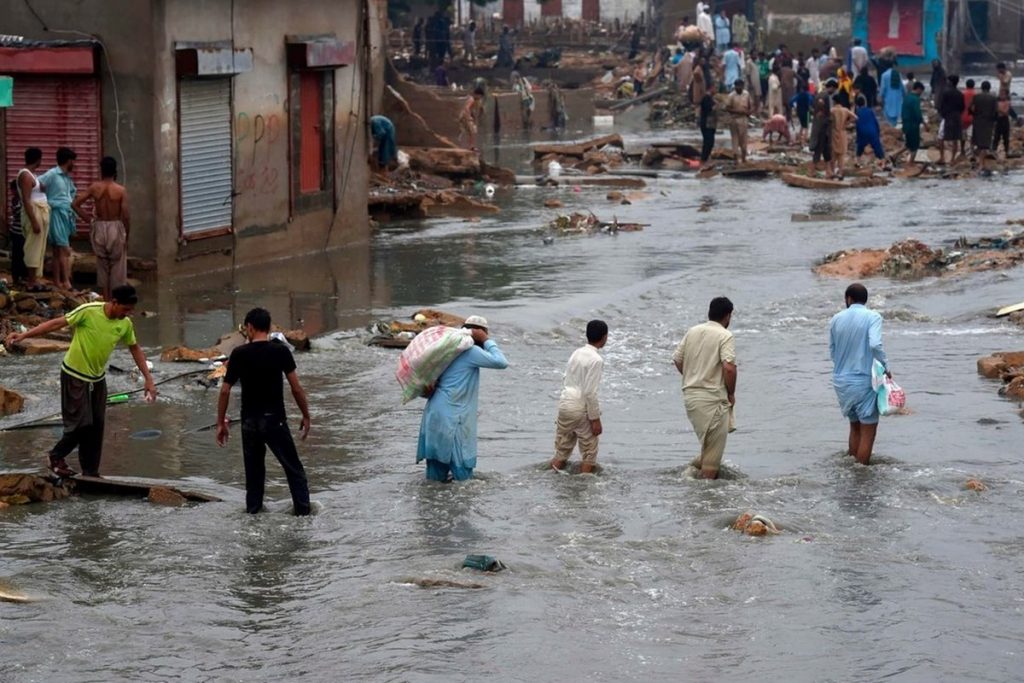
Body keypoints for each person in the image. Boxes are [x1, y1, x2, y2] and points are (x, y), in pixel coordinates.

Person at [3, 285, 157, 477]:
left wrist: (148, 379)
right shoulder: (89, 311)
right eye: (125, 309)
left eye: (130, 310)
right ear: (114, 302)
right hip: (74, 374)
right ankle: (56, 456)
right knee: (81, 423)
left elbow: (135, 349)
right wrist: (24, 335)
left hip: (97, 379)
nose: (128, 313)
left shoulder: (124, 324)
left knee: (96, 426)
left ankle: (90, 472)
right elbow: (56, 324)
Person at [216, 307, 311, 515]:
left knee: (254, 476)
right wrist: (306, 414)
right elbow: (296, 387)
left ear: (249, 328)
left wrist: (221, 422)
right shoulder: (280, 351)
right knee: (294, 470)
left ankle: (253, 515)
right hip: (274, 420)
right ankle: (304, 516)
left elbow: (224, 391)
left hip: (249, 422)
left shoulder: (239, 354)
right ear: (268, 328)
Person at [417, 315, 508, 481]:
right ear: (479, 333)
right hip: (454, 419)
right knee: (463, 479)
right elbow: (501, 362)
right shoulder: (471, 351)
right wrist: (486, 340)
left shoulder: (445, 350)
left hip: (433, 415)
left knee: (434, 479)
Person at [672, 297, 737, 480]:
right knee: (712, 459)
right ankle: (703, 497)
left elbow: (677, 360)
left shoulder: (693, 331)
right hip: (712, 398)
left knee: (709, 446)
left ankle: (691, 473)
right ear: (728, 316)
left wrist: (693, 375)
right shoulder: (725, 335)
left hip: (690, 396)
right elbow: (729, 367)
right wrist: (731, 393)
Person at [829, 283, 888, 466]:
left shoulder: (836, 319)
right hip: (863, 381)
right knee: (868, 430)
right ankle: (861, 476)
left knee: (854, 427)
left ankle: (852, 468)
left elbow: (832, 350)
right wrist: (885, 366)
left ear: (848, 299)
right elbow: (875, 344)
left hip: (841, 381)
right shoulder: (873, 317)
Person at [550, 320, 607, 474]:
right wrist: (595, 419)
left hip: (565, 404)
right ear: (604, 337)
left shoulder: (576, 352)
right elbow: (590, 392)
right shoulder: (596, 360)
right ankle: (584, 486)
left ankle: (552, 478)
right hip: (579, 407)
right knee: (589, 451)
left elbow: (565, 378)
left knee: (562, 450)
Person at [72, 157, 130, 301]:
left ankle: (105, 301)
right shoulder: (120, 190)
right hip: (115, 226)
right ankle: (115, 302)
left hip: (99, 227)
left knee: (103, 265)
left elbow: (75, 204)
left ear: (101, 170)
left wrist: (90, 221)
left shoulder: (94, 187)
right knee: (117, 266)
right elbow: (126, 215)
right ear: (115, 170)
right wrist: (126, 234)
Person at [39, 147, 85, 291]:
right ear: (68, 161)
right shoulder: (52, 174)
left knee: (57, 250)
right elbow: (37, 183)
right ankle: (66, 282)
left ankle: (57, 281)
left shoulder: (66, 178)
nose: (74, 164)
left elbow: (71, 194)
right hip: (56, 213)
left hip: (66, 214)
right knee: (64, 249)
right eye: (73, 161)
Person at [15, 148, 49, 291]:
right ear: (38, 159)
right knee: (32, 248)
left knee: (38, 247)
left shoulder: (32, 175)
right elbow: (26, 200)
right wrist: (34, 221)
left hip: (40, 211)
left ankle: (34, 280)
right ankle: (31, 281)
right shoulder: (26, 175)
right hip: (34, 212)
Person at [892, 81, 926, 164]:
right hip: (913, 126)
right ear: (918, 89)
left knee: (908, 144)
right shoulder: (915, 99)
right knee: (915, 146)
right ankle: (911, 163)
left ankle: (894, 155)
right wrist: (924, 123)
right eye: (921, 91)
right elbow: (917, 113)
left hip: (906, 125)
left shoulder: (907, 97)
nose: (921, 94)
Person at [808, 79, 836, 176]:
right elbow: (825, 112)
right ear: (832, 87)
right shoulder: (825, 96)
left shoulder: (819, 95)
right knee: (819, 149)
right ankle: (812, 170)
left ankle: (828, 171)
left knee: (826, 150)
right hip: (822, 128)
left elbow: (813, 109)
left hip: (820, 126)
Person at [938, 75, 965, 164]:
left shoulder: (945, 93)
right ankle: (952, 159)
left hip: (947, 117)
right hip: (957, 117)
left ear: (950, 82)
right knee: (955, 138)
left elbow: (941, 106)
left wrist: (943, 114)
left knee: (941, 137)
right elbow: (962, 107)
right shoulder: (960, 94)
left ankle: (942, 157)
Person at [5, 178, 27, 286]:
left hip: (21, 233)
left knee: (22, 255)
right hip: (17, 233)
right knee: (18, 255)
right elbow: (20, 213)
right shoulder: (17, 201)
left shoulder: (20, 200)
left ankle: (21, 276)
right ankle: (17, 277)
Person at [830, 94, 857, 178]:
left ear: (834, 101)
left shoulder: (832, 110)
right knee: (841, 155)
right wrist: (847, 123)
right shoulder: (845, 110)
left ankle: (832, 172)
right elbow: (855, 117)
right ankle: (841, 173)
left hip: (834, 132)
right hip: (843, 132)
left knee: (833, 154)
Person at [725, 79, 751, 164]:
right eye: (737, 86)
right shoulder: (731, 96)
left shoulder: (746, 94)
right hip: (734, 119)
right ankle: (735, 158)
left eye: (740, 86)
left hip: (744, 119)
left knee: (744, 139)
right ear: (735, 86)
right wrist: (738, 111)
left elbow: (750, 106)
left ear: (743, 86)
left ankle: (743, 158)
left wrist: (749, 112)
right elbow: (727, 108)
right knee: (735, 139)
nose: (738, 88)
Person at [854, 95, 884, 168]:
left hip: (862, 131)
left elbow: (856, 124)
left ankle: (857, 161)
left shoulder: (857, 112)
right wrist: (878, 132)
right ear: (864, 103)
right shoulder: (870, 110)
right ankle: (883, 163)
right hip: (872, 131)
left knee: (860, 146)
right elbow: (875, 122)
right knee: (877, 147)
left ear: (857, 105)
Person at [970, 80, 998, 154]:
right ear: (989, 88)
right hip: (989, 120)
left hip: (978, 118)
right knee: (987, 136)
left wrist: (974, 114)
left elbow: (970, 108)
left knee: (977, 135)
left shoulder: (976, 97)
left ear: (981, 88)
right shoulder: (993, 98)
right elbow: (996, 110)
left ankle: (977, 150)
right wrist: (994, 119)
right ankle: (985, 151)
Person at [459, 86, 485, 150]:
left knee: (472, 131)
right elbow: (467, 108)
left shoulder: (477, 100)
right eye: (480, 96)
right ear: (477, 94)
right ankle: (471, 146)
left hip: (467, 117)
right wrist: (469, 117)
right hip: (465, 117)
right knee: (472, 130)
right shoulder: (472, 99)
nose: (480, 97)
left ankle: (471, 146)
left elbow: (480, 108)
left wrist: (481, 113)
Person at [698, 91, 718, 166]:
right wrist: (715, 106)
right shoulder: (706, 98)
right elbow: (709, 109)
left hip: (711, 125)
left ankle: (705, 158)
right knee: (708, 142)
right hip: (707, 124)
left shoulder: (711, 98)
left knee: (710, 142)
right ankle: (704, 159)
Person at [995, 92, 1012, 158]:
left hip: (1004, 120)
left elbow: (1006, 112)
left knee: (1006, 137)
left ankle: (1006, 151)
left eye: (1003, 94)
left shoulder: (1007, 102)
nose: (1001, 96)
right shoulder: (997, 102)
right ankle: (994, 150)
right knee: (997, 136)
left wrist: (999, 110)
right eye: (1001, 94)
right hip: (999, 120)